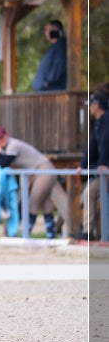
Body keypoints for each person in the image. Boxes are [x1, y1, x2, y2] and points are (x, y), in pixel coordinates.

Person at [0, 126, 58, 238]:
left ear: (7, 135)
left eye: (1, 138)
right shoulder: (6, 148)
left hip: (44, 169)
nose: (0, 141)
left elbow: (2, 163)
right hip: (37, 172)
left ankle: (26, 234)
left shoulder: (13, 145)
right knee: (45, 203)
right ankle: (51, 234)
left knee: (33, 201)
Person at [75, 91, 109, 240]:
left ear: (97, 106)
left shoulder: (107, 120)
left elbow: (106, 143)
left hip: (107, 169)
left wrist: (103, 164)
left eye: (91, 105)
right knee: (89, 192)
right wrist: (83, 165)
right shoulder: (97, 123)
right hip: (105, 170)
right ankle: (88, 231)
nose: (89, 108)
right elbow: (93, 146)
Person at [32, 20, 67, 92]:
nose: (45, 33)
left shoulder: (60, 47)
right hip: (44, 91)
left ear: (55, 30)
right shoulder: (53, 47)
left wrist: (49, 82)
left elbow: (60, 65)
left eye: (47, 30)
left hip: (53, 90)